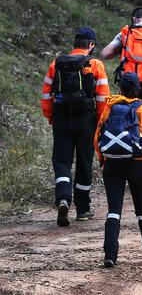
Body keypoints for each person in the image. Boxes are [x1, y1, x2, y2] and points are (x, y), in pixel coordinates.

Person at [94, 72, 142, 268]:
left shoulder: (110, 106)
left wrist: (103, 159)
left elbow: (98, 135)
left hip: (112, 165)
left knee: (113, 211)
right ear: (138, 89)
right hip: (137, 164)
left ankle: (110, 255)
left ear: (120, 88)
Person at [41, 27, 110, 226]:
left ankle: (63, 198)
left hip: (62, 118)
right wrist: (99, 122)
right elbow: (103, 98)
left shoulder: (57, 64)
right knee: (84, 162)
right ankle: (83, 209)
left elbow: (46, 96)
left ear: (74, 44)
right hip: (85, 120)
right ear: (91, 45)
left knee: (62, 161)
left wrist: (52, 117)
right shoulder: (95, 64)